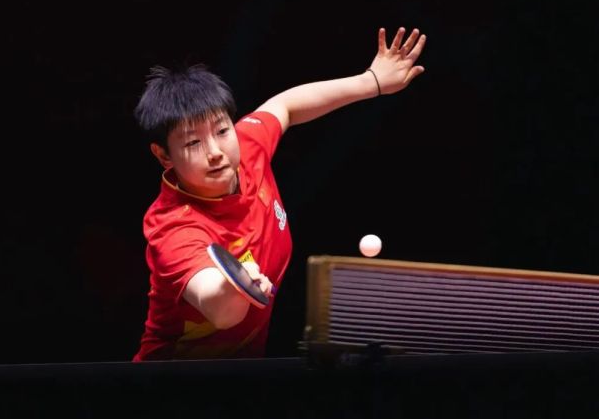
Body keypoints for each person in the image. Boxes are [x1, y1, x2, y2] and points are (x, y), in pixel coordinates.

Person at [132, 27, 426, 361]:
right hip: (172, 379)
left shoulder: (248, 148)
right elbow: (222, 310)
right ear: (163, 155)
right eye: (193, 143)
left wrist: (371, 81)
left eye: (222, 130)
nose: (215, 151)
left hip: (246, 369)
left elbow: (284, 106)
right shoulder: (172, 226)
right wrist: (237, 284)